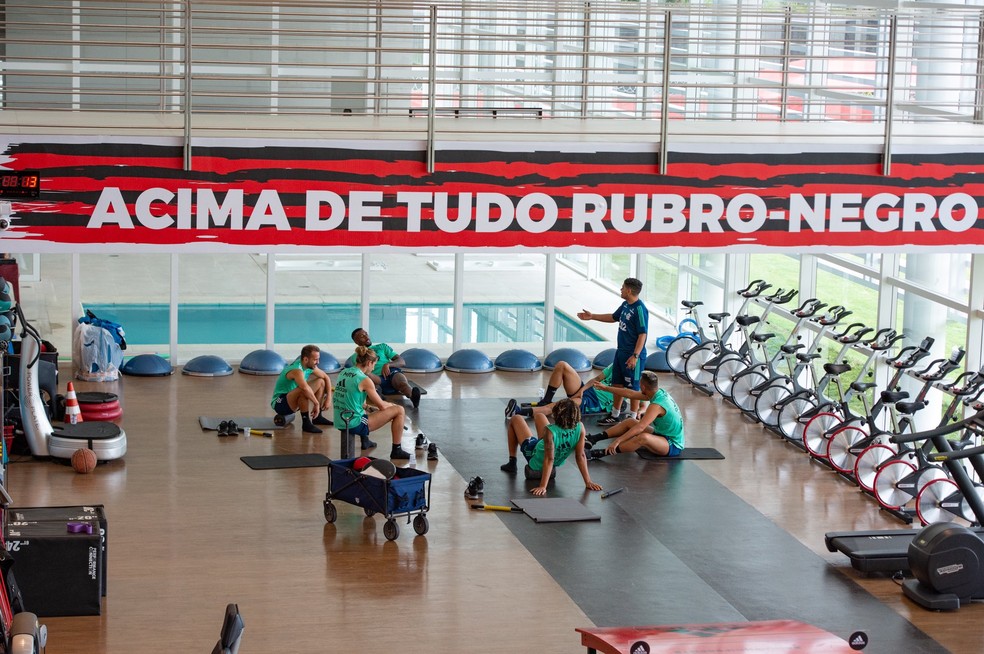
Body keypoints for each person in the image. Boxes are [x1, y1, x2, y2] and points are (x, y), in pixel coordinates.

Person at [577, 277, 648, 425]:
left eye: (622, 287)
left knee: (633, 388)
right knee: (617, 384)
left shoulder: (640, 309)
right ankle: (615, 415)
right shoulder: (625, 305)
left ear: (629, 290)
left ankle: (632, 418)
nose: (620, 290)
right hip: (621, 352)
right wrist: (592, 317)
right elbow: (613, 317)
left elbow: (643, 334)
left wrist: (635, 355)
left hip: (633, 355)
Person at [500, 398, 603, 497]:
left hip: (535, 458)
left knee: (515, 418)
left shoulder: (550, 431)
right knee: (540, 415)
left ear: (556, 414)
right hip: (550, 451)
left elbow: (549, 459)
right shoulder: (580, 427)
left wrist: (543, 486)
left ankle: (512, 463)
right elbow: (580, 455)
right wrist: (588, 482)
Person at [585, 371, 684, 459]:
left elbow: (640, 427)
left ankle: (602, 453)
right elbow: (631, 394)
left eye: (640, 384)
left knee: (643, 437)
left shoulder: (657, 405)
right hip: (661, 434)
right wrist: (605, 388)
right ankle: (593, 438)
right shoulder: (658, 392)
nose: (639, 386)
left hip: (672, 444)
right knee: (630, 422)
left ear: (643, 387)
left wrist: (618, 441)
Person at [334, 345, 410, 459]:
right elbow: (382, 406)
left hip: (339, 419)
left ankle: (366, 441)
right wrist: (392, 405)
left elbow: (354, 400)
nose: (374, 368)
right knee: (399, 410)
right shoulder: (365, 380)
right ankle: (397, 450)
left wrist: (368, 406)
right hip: (353, 422)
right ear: (369, 362)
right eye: (374, 365)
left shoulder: (344, 372)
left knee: (366, 411)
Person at [504, 360, 616, 419]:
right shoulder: (615, 363)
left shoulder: (631, 375)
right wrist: (582, 390)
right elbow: (597, 378)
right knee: (562, 365)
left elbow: (631, 394)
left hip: (595, 402)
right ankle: (546, 400)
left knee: (561, 405)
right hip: (587, 390)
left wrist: (633, 414)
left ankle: (517, 412)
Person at [351, 328, 421, 408]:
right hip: (376, 378)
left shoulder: (382, 347)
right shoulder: (356, 356)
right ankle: (378, 396)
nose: (367, 337)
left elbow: (401, 361)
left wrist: (388, 364)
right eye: (362, 336)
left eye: (366, 334)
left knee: (402, 383)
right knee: (368, 377)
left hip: (391, 373)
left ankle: (413, 396)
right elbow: (361, 372)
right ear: (356, 342)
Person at [270, 344, 333, 434]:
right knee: (303, 390)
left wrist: (328, 398)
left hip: (293, 398)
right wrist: (316, 404)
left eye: (318, 359)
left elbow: (326, 377)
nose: (318, 362)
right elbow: (305, 388)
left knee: (321, 381)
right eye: (315, 360)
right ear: (306, 359)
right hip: (280, 403)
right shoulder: (297, 370)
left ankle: (318, 417)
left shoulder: (309, 366)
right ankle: (306, 423)